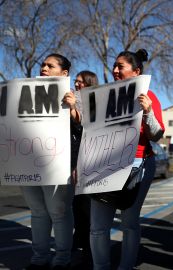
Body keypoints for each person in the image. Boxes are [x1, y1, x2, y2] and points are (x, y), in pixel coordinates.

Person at [89, 49, 165, 270]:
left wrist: (148, 112)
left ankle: (126, 266)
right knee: (97, 227)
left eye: (120, 66)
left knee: (129, 223)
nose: (114, 70)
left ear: (136, 71)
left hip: (137, 165)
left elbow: (157, 135)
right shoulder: (104, 96)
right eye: (114, 65)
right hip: (103, 165)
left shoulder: (149, 97)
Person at [23, 53, 75, 270]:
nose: (43, 68)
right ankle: (40, 257)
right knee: (37, 211)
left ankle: (62, 258)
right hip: (28, 162)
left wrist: (73, 109)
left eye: (50, 65)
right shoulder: (24, 95)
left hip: (58, 164)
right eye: (42, 65)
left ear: (64, 73)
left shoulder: (75, 98)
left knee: (59, 211)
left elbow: (85, 132)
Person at [70, 70, 98, 266]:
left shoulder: (94, 102)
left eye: (81, 82)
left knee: (87, 208)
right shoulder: (70, 99)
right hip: (72, 159)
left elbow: (84, 129)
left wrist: (73, 109)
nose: (77, 84)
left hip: (88, 160)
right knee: (77, 207)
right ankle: (80, 245)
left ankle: (89, 251)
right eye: (76, 81)